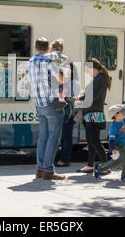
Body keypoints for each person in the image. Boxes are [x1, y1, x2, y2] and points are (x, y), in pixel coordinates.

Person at [28, 37, 66, 180]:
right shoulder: (48, 61)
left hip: (39, 103)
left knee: (43, 136)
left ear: (35, 47)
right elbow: (60, 79)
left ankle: (39, 169)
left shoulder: (31, 61)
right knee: (53, 138)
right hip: (51, 102)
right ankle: (48, 170)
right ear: (48, 48)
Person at [46, 38, 80, 167]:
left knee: (55, 135)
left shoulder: (51, 63)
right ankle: (64, 159)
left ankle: (56, 160)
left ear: (52, 49)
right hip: (69, 105)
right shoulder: (68, 63)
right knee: (66, 135)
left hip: (59, 104)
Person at [76, 58, 111, 174]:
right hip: (91, 114)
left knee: (95, 141)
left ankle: (106, 166)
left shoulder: (100, 79)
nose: (87, 73)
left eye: (87, 70)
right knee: (91, 142)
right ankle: (90, 165)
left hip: (95, 115)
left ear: (93, 68)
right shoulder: (97, 79)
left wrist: (80, 98)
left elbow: (94, 96)